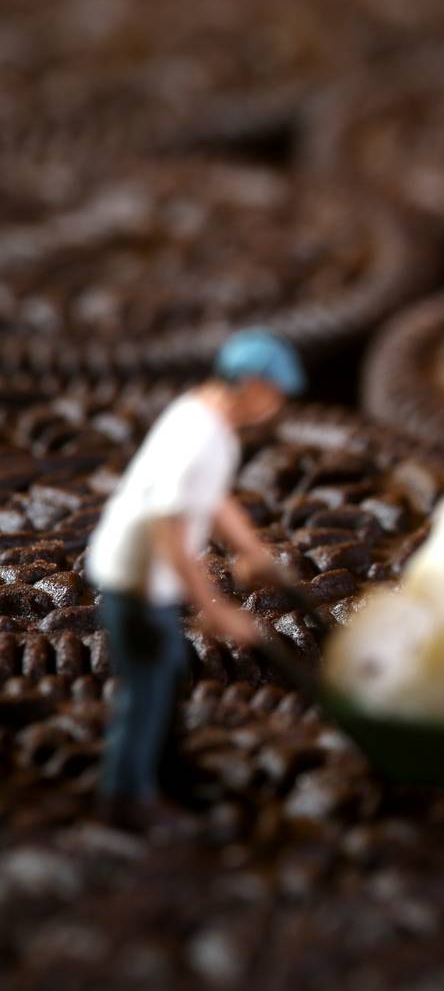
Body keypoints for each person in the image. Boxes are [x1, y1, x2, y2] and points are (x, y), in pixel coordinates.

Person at [85, 329, 305, 823]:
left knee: (163, 678)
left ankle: (164, 772)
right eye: (274, 394)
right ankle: (127, 797)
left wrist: (253, 549)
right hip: (137, 580)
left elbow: (212, 498)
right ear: (250, 385)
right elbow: (171, 527)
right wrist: (215, 608)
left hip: (143, 574)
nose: (276, 407)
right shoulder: (203, 437)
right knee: (147, 686)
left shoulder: (198, 413)